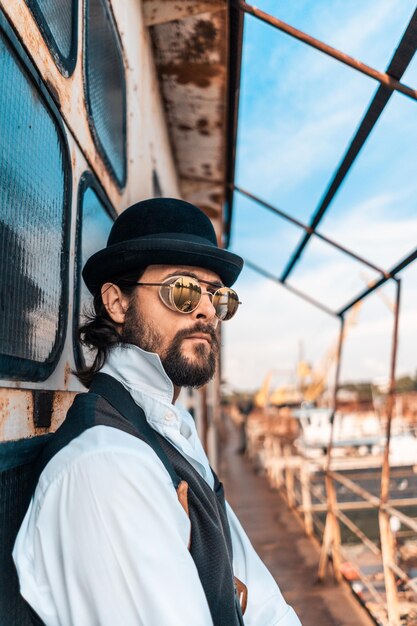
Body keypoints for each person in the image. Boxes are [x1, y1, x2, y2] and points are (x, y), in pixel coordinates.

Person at [13, 198, 301, 626]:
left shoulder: (173, 426)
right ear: (117, 302)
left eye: (218, 297)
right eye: (182, 290)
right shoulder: (107, 465)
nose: (207, 310)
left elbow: (257, 593)